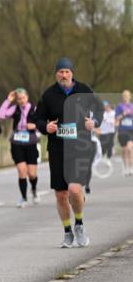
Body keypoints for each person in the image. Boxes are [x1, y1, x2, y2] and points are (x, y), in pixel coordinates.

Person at [30, 58, 104, 248]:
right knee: (61, 195)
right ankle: (67, 231)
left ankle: (79, 224)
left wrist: (94, 122)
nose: (64, 75)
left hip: (80, 148)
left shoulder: (84, 90)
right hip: (57, 149)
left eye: (67, 71)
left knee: (74, 190)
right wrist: (46, 127)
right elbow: (37, 119)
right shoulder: (48, 95)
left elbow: (99, 109)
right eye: (61, 71)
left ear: (72, 73)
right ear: (56, 74)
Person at [0, 88, 40, 207]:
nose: (21, 101)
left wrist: (34, 126)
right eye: (19, 99)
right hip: (17, 142)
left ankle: (34, 190)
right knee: (22, 171)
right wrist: (8, 100)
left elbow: (43, 124)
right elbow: (1, 115)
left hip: (30, 142)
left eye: (23, 98)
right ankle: (24, 197)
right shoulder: (15, 109)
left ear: (27, 97)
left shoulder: (34, 109)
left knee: (32, 174)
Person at [117, 90, 133, 176]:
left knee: (129, 148)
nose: (126, 98)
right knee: (125, 150)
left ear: (130, 97)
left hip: (131, 130)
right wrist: (124, 113)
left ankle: (131, 167)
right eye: (124, 97)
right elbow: (117, 118)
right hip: (122, 130)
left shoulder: (132, 106)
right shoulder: (120, 107)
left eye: (127, 97)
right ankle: (126, 167)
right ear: (123, 98)